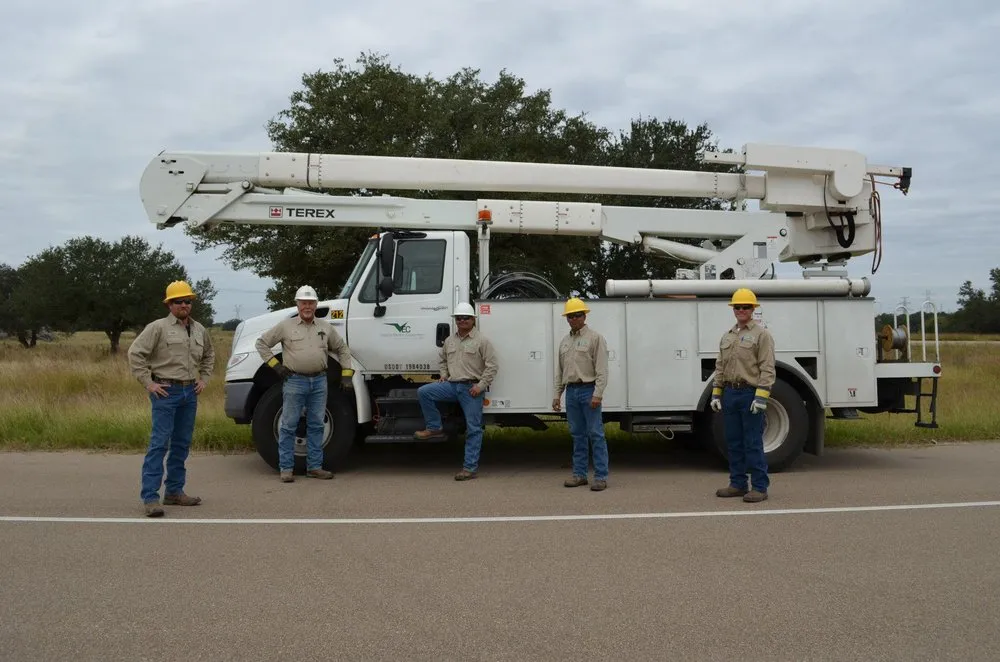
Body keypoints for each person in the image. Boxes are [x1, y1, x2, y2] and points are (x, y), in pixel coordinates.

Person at [127, 280, 215, 517]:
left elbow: (208, 355)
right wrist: (149, 383)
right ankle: (151, 498)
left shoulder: (199, 330)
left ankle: (175, 491)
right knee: (159, 444)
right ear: (169, 304)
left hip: (190, 392)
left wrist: (204, 378)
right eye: (179, 301)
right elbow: (136, 354)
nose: (184, 305)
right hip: (166, 392)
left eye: (188, 301)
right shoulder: (157, 328)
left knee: (181, 444)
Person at [255, 285, 353, 483]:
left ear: (316, 305)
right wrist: (276, 366)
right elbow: (261, 343)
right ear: (297, 304)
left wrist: (347, 374)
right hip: (294, 381)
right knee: (289, 425)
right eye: (303, 303)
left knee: (316, 425)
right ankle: (286, 468)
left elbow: (342, 348)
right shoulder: (286, 326)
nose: (307, 306)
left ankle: (315, 467)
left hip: (319, 381)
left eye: (310, 303)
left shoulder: (325, 327)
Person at [414, 302, 499, 481]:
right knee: (424, 392)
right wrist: (443, 375)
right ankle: (434, 427)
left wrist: (480, 386)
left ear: (473, 320)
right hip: (451, 386)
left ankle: (469, 468)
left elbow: (492, 366)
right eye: (458, 318)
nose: (461, 320)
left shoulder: (482, 341)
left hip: (471, 389)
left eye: (465, 318)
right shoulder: (449, 341)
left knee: (474, 429)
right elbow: (442, 360)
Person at [711, 287, 776, 503]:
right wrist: (716, 394)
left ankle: (759, 486)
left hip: (749, 394)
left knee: (752, 442)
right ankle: (737, 484)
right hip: (730, 393)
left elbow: (767, 368)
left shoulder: (761, 335)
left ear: (752, 309)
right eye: (737, 307)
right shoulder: (727, 336)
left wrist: (761, 397)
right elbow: (720, 366)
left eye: (745, 307)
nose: (740, 310)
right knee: (734, 442)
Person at [552, 297, 610, 491]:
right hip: (571, 392)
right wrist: (557, 394)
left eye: (577, 315)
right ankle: (579, 475)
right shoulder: (564, 342)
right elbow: (560, 372)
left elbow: (602, 369)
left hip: (588, 390)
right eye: (570, 316)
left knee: (596, 434)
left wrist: (598, 394)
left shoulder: (595, 338)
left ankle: (601, 477)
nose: (574, 319)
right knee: (577, 435)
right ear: (567, 318)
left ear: (584, 316)